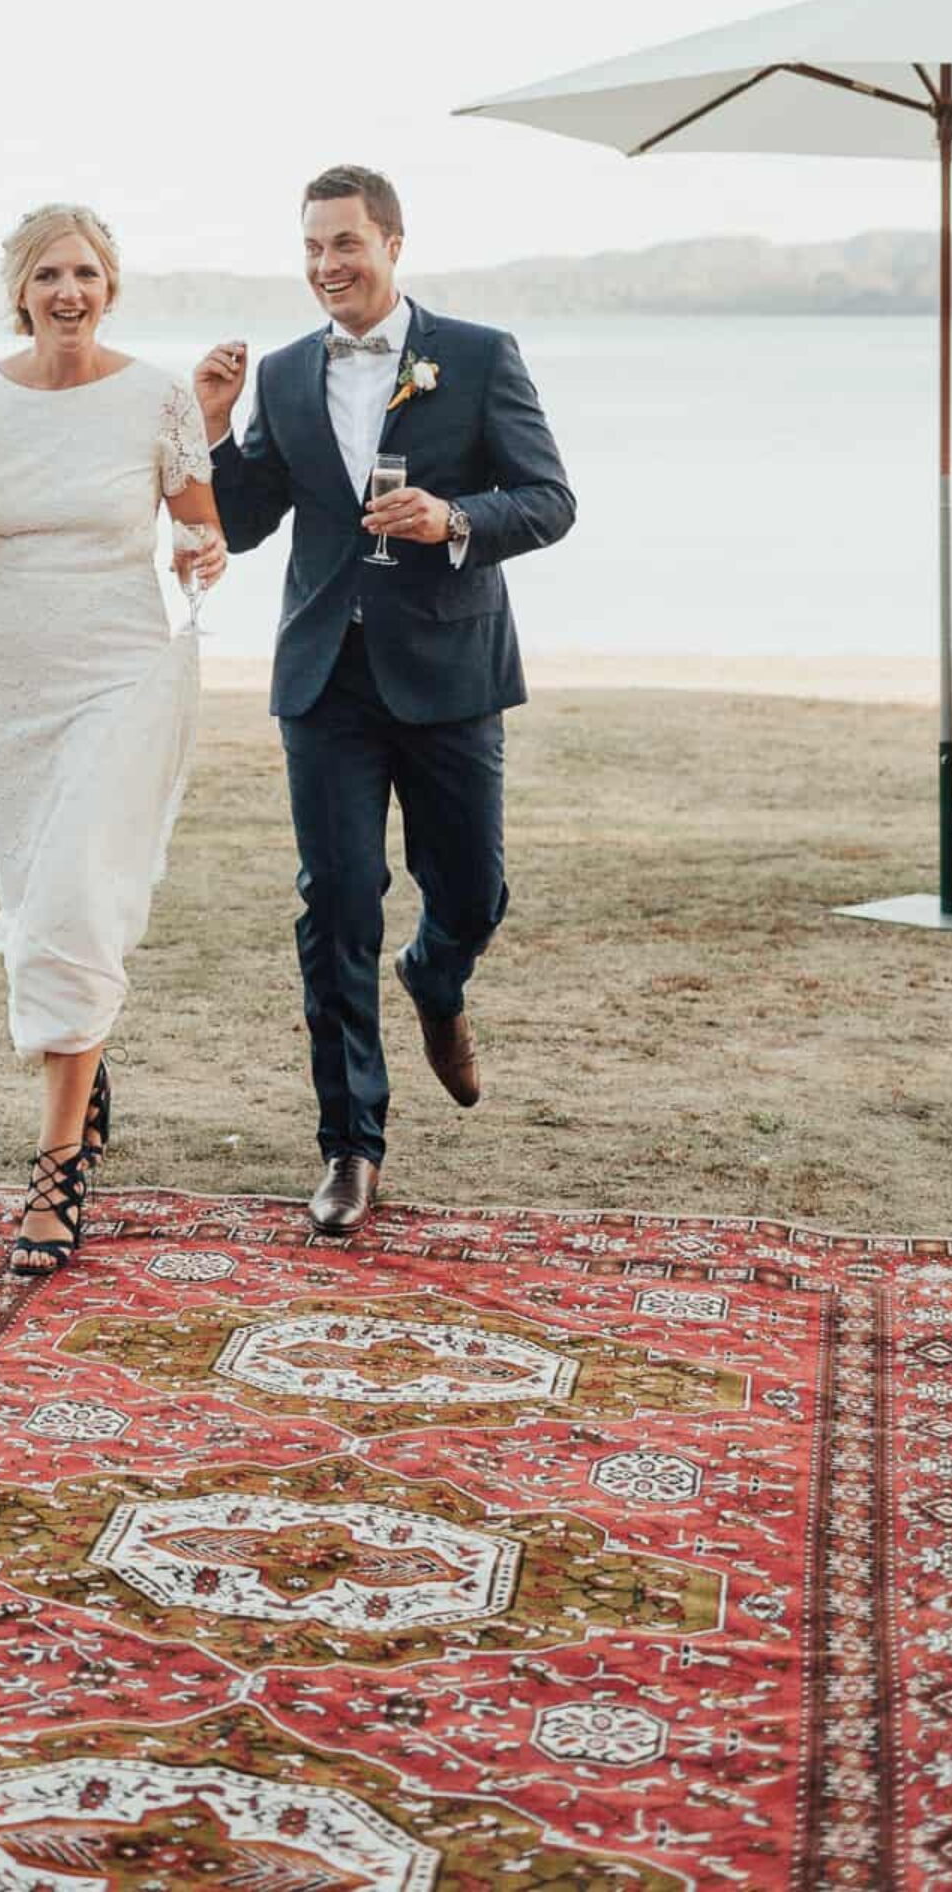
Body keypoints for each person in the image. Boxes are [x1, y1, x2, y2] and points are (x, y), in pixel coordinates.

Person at [195, 164, 574, 1240]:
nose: (327, 267)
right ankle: (350, 1146)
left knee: (473, 889)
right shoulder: (276, 371)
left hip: (452, 670)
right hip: (325, 679)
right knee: (337, 901)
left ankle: (436, 973)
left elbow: (550, 499)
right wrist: (217, 428)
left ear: (393, 245)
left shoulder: (480, 355)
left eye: (345, 246)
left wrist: (452, 518)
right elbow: (245, 520)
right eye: (312, 248)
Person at [0, 203, 225, 1274]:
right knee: (38, 902)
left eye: (85, 271)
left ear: (110, 286)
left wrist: (201, 556)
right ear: (21, 291)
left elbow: (198, 519)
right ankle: (84, 1068)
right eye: (48, 274)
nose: (68, 290)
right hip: (15, 684)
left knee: (77, 898)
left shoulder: (158, 397)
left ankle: (54, 1172)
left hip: (121, 673)